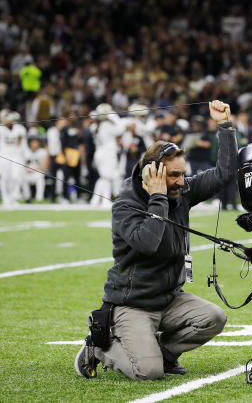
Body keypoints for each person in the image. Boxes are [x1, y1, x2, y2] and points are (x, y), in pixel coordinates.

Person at [75, 100, 237, 380]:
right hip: (133, 304)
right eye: (174, 175)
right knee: (149, 373)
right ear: (152, 172)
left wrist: (224, 126)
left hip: (170, 298)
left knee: (214, 318)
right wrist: (158, 197)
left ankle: (164, 353)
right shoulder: (125, 204)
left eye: (183, 174)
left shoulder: (181, 190)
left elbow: (224, 174)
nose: (181, 182)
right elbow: (148, 242)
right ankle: (98, 348)